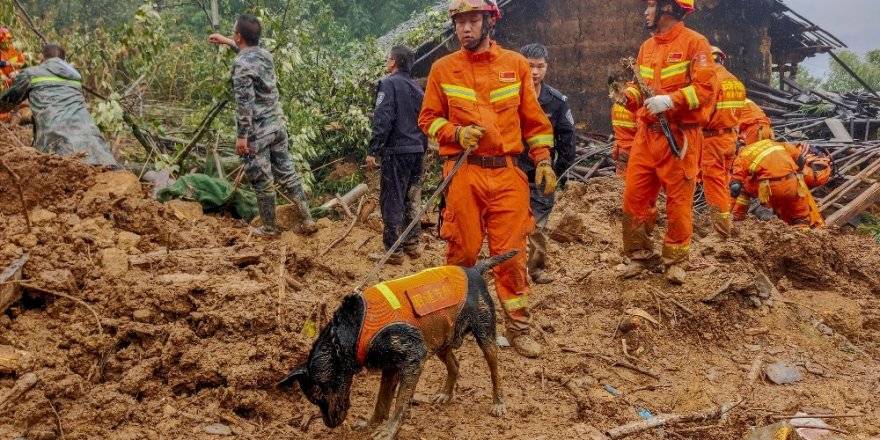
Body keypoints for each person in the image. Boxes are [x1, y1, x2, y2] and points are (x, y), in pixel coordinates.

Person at [419, 0, 557, 358]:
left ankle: (518, 327)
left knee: (510, 254)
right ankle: (453, 326)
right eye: (460, 22)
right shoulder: (442, 68)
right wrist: (454, 133)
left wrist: (542, 161)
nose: (465, 28)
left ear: (489, 22)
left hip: (507, 173)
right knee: (461, 252)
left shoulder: (515, 66)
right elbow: (428, 119)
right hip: (463, 173)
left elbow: (534, 121)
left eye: (473, 20)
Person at [621, 0, 717, 285]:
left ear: (668, 8)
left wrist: (671, 100)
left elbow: (705, 89)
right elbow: (640, 88)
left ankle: (675, 261)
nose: (646, 11)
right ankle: (638, 255)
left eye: (651, 6)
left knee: (678, 202)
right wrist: (627, 96)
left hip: (679, 137)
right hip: (646, 135)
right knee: (634, 197)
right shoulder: (646, 47)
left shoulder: (695, 44)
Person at [208, 15, 317, 236]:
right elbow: (250, 52)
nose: (232, 35)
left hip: (257, 133)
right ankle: (308, 218)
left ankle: (269, 228)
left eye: (233, 32)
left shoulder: (241, 64)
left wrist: (242, 137)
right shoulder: (265, 55)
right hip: (277, 126)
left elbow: (244, 104)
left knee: (262, 180)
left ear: (239, 36)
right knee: (288, 173)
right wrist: (227, 41)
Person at [0, 44, 117, 167]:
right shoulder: (76, 77)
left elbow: (6, 103)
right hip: (95, 145)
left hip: (58, 146)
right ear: (64, 60)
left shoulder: (32, 73)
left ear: (42, 59)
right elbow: (62, 108)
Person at [517, 42, 576, 285]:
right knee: (511, 226)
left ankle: (536, 270)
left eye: (540, 66)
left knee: (537, 227)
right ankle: (513, 272)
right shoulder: (508, 97)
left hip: (542, 174)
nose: (535, 72)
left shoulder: (556, 101)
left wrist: (559, 172)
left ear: (546, 67)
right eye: (530, 66)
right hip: (512, 172)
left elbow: (567, 138)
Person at [366, 46, 427, 265]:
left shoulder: (388, 84)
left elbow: (383, 118)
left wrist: (374, 149)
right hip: (417, 150)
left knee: (392, 198)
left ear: (393, 62)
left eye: (388, 59)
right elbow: (426, 122)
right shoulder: (417, 89)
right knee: (412, 196)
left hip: (397, 151)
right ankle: (412, 243)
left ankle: (393, 250)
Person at [731, 134, 824, 228]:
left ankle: (737, 217)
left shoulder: (741, 157)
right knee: (801, 218)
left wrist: (727, 209)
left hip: (770, 190)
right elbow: (800, 160)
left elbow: (735, 187)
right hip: (794, 184)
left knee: (744, 189)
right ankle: (803, 233)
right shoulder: (772, 143)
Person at [700, 45, 746, 238]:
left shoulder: (712, 81)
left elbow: (702, 115)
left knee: (714, 184)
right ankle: (726, 222)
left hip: (713, 139)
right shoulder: (736, 82)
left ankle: (720, 232)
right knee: (724, 182)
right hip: (729, 138)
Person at [608, 63, 640, 176]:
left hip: (621, 151)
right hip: (637, 152)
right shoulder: (636, 100)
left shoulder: (615, 105)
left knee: (621, 186)